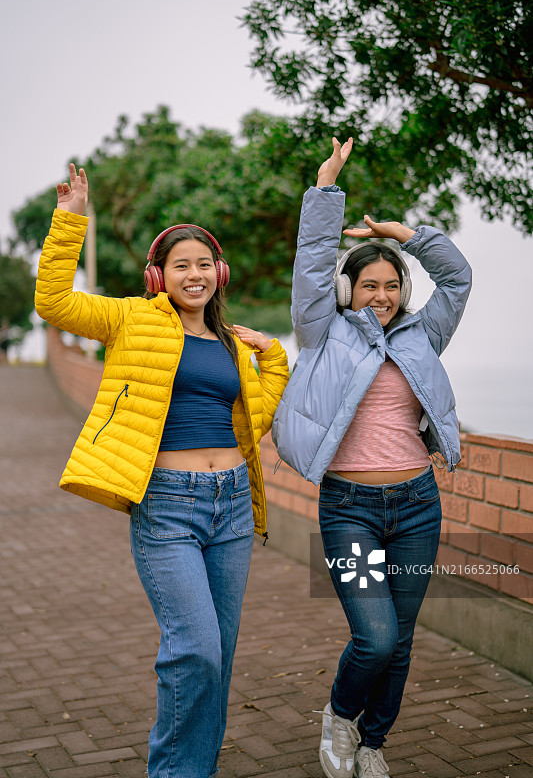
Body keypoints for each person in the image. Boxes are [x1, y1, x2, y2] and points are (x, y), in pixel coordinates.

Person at [35, 163, 289, 778]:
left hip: (230, 504)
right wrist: (71, 217)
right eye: (181, 265)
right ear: (160, 276)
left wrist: (274, 358)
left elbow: (253, 418)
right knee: (195, 649)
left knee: (219, 656)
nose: (194, 274)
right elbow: (53, 302)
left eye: (204, 264)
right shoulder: (131, 319)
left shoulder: (230, 342)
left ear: (218, 273)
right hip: (168, 504)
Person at [272, 139, 472, 778]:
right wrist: (327, 190)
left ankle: (372, 743)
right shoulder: (322, 331)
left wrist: (409, 235)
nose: (381, 295)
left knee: (402, 641)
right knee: (376, 637)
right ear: (349, 289)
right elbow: (310, 264)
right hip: (349, 509)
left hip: (416, 504)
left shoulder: (424, 333)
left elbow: (459, 276)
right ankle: (339, 718)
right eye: (369, 284)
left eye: (391, 285)